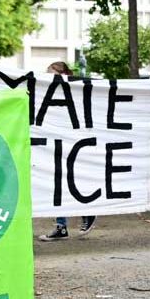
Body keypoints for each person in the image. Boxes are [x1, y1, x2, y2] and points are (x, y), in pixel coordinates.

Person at [38, 61, 96, 241]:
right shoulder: (46, 91)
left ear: (61, 74)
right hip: (55, 144)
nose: (47, 77)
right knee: (57, 185)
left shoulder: (74, 89)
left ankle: (88, 213)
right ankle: (61, 226)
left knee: (73, 180)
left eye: (51, 73)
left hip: (72, 142)